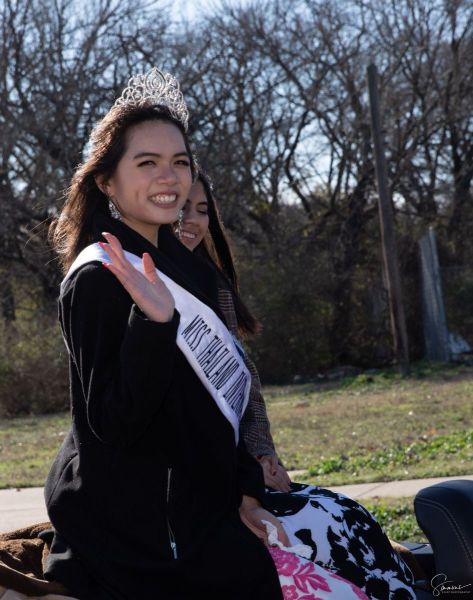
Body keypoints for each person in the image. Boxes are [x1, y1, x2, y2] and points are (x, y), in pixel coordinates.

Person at [41, 68, 368, 600]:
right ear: (106, 181)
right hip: (142, 525)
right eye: (147, 163)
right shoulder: (100, 276)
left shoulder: (186, 266)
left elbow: (221, 410)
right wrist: (153, 323)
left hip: (205, 500)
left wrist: (246, 491)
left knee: (349, 532)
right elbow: (114, 425)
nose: (169, 177)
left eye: (180, 163)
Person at [176, 172, 417, 600]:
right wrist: (241, 483)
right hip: (189, 490)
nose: (190, 221)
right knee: (312, 530)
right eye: (179, 208)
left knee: (345, 512)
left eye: (201, 211)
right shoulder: (135, 285)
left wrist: (263, 454)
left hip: (239, 474)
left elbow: (243, 386)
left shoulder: (212, 284)